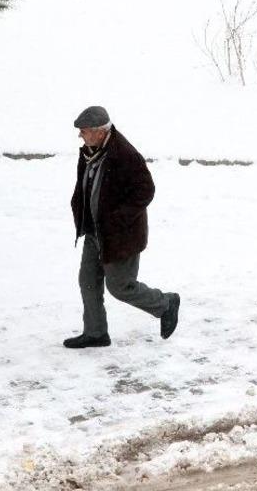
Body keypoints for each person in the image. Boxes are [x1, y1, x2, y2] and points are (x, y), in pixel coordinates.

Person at [64, 106, 180, 348]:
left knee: (121, 287)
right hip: (95, 232)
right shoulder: (91, 151)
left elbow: (146, 190)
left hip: (119, 236)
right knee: (87, 281)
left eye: (83, 131)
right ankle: (96, 333)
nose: (80, 136)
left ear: (98, 131)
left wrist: (118, 219)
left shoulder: (123, 154)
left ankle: (165, 304)